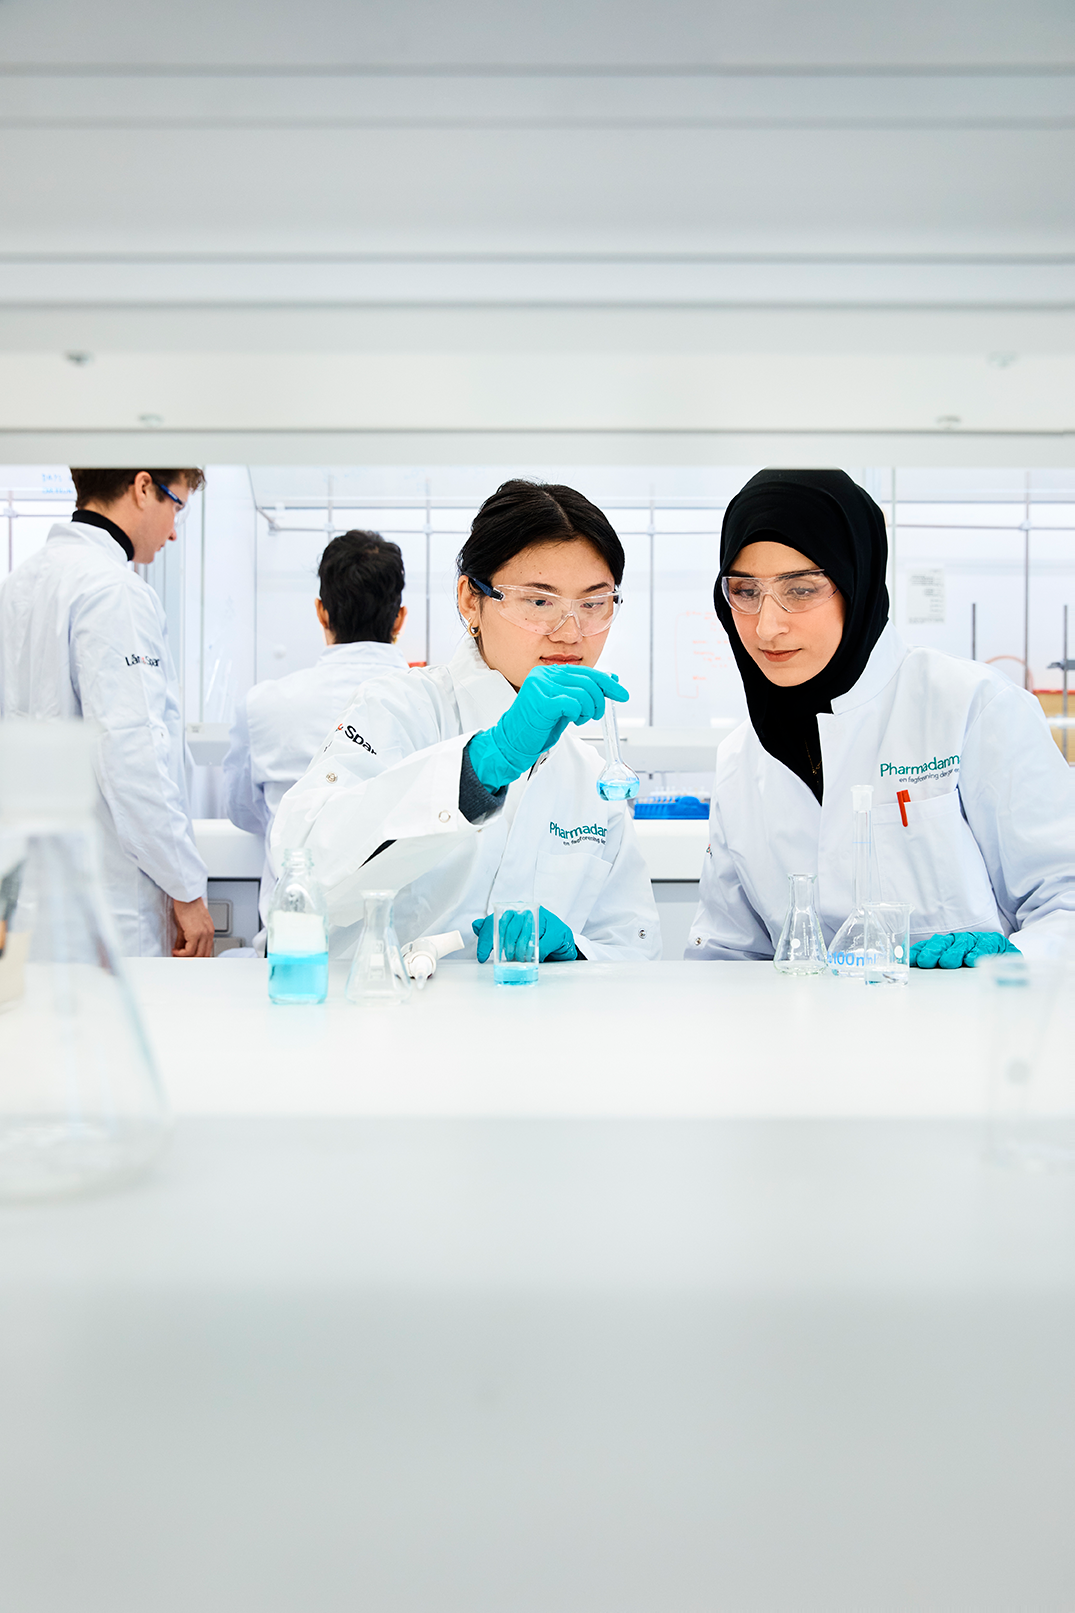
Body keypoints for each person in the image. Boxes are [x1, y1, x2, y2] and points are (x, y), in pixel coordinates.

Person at [687, 468, 1075, 966]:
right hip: (799, 1040)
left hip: (969, 1029)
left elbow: (1066, 899)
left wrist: (1018, 958)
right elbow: (726, 952)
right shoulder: (742, 757)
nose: (768, 624)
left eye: (801, 589)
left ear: (858, 580)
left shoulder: (970, 706)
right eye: (745, 591)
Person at [272, 479, 661, 962]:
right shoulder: (400, 709)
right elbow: (302, 870)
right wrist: (478, 767)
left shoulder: (589, 774)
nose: (571, 632)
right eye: (539, 602)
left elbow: (635, 946)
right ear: (470, 600)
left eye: (593, 604)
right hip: (391, 1024)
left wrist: (577, 953)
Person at [0, 468, 214, 958]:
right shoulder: (113, 590)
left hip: (29, 902)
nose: (175, 530)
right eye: (175, 505)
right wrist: (186, 888)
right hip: (109, 910)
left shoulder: (18, 586)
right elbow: (132, 754)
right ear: (142, 488)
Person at [224, 530, 409, 925]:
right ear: (400, 617)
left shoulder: (265, 704)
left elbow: (242, 811)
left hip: (291, 941)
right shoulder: (433, 704)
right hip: (405, 949)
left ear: (321, 611)